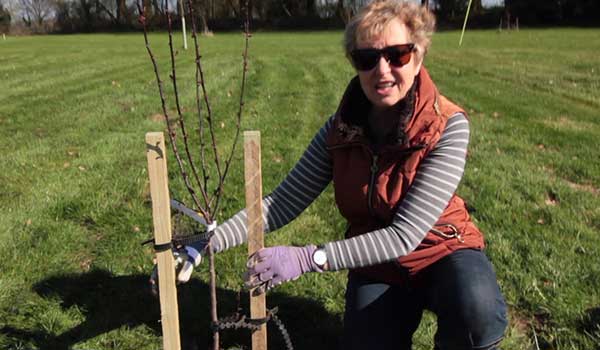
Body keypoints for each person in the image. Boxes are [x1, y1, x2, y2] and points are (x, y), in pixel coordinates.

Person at [161, 1, 508, 349]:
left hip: (442, 250)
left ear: (418, 57)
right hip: (376, 263)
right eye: (367, 58)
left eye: (397, 55)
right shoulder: (340, 131)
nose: (382, 71)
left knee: (475, 311)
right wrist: (209, 242)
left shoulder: (447, 125)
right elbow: (281, 203)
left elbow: (405, 236)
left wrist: (309, 258)